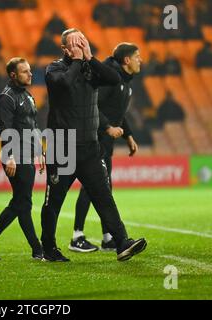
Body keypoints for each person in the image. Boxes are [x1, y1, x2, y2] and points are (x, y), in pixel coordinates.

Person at [41, 28, 147, 262]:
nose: (80, 46)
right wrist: (78, 60)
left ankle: (122, 242)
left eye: (83, 42)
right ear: (65, 49)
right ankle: (48, 248)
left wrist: (89, 57)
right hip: (62, 147)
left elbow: (114, 78)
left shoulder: (91, 68)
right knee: (54, 201)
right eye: (75, 44)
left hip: (89, 147)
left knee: (103, 195)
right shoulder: (54, 69)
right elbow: (66, 85)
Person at [71, 42, 143, 253]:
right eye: (137, 56)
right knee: (93, 186)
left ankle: (107, 237)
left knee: (104, 187)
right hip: (93, 140)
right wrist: (107, 127)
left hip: (106, 143)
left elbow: (117, 112)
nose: (141, 60)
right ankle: (77, 235)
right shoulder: (110, 78)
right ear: (127, 60)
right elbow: (92, 105)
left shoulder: (125, 81)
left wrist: (128, 135)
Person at [0, 57, 45, 261]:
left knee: (22, 203)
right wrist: (10, 156)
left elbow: (34, 126)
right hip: (15, 156)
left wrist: (39, 151)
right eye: (25, 71)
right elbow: (5, 129)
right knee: (22, 202)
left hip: (27, 154)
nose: (30, 74)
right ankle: (36, 249)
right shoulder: (6, 98)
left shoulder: (28, 95)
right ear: (13, 75)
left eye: (30, 70)